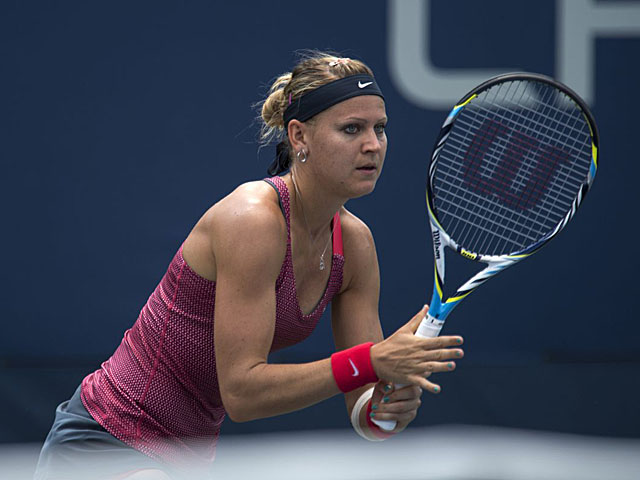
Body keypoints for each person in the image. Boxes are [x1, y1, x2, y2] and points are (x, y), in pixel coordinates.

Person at [33, 52, 464, 480]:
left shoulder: (355, 246)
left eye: (380, 128)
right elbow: (241, 392)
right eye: (351, 128)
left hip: (182, 461)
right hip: (104, 441)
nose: (373, 144)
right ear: (299, 136)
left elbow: (364, 409)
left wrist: (386, 404)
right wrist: (370, 361)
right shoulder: (253, 220)